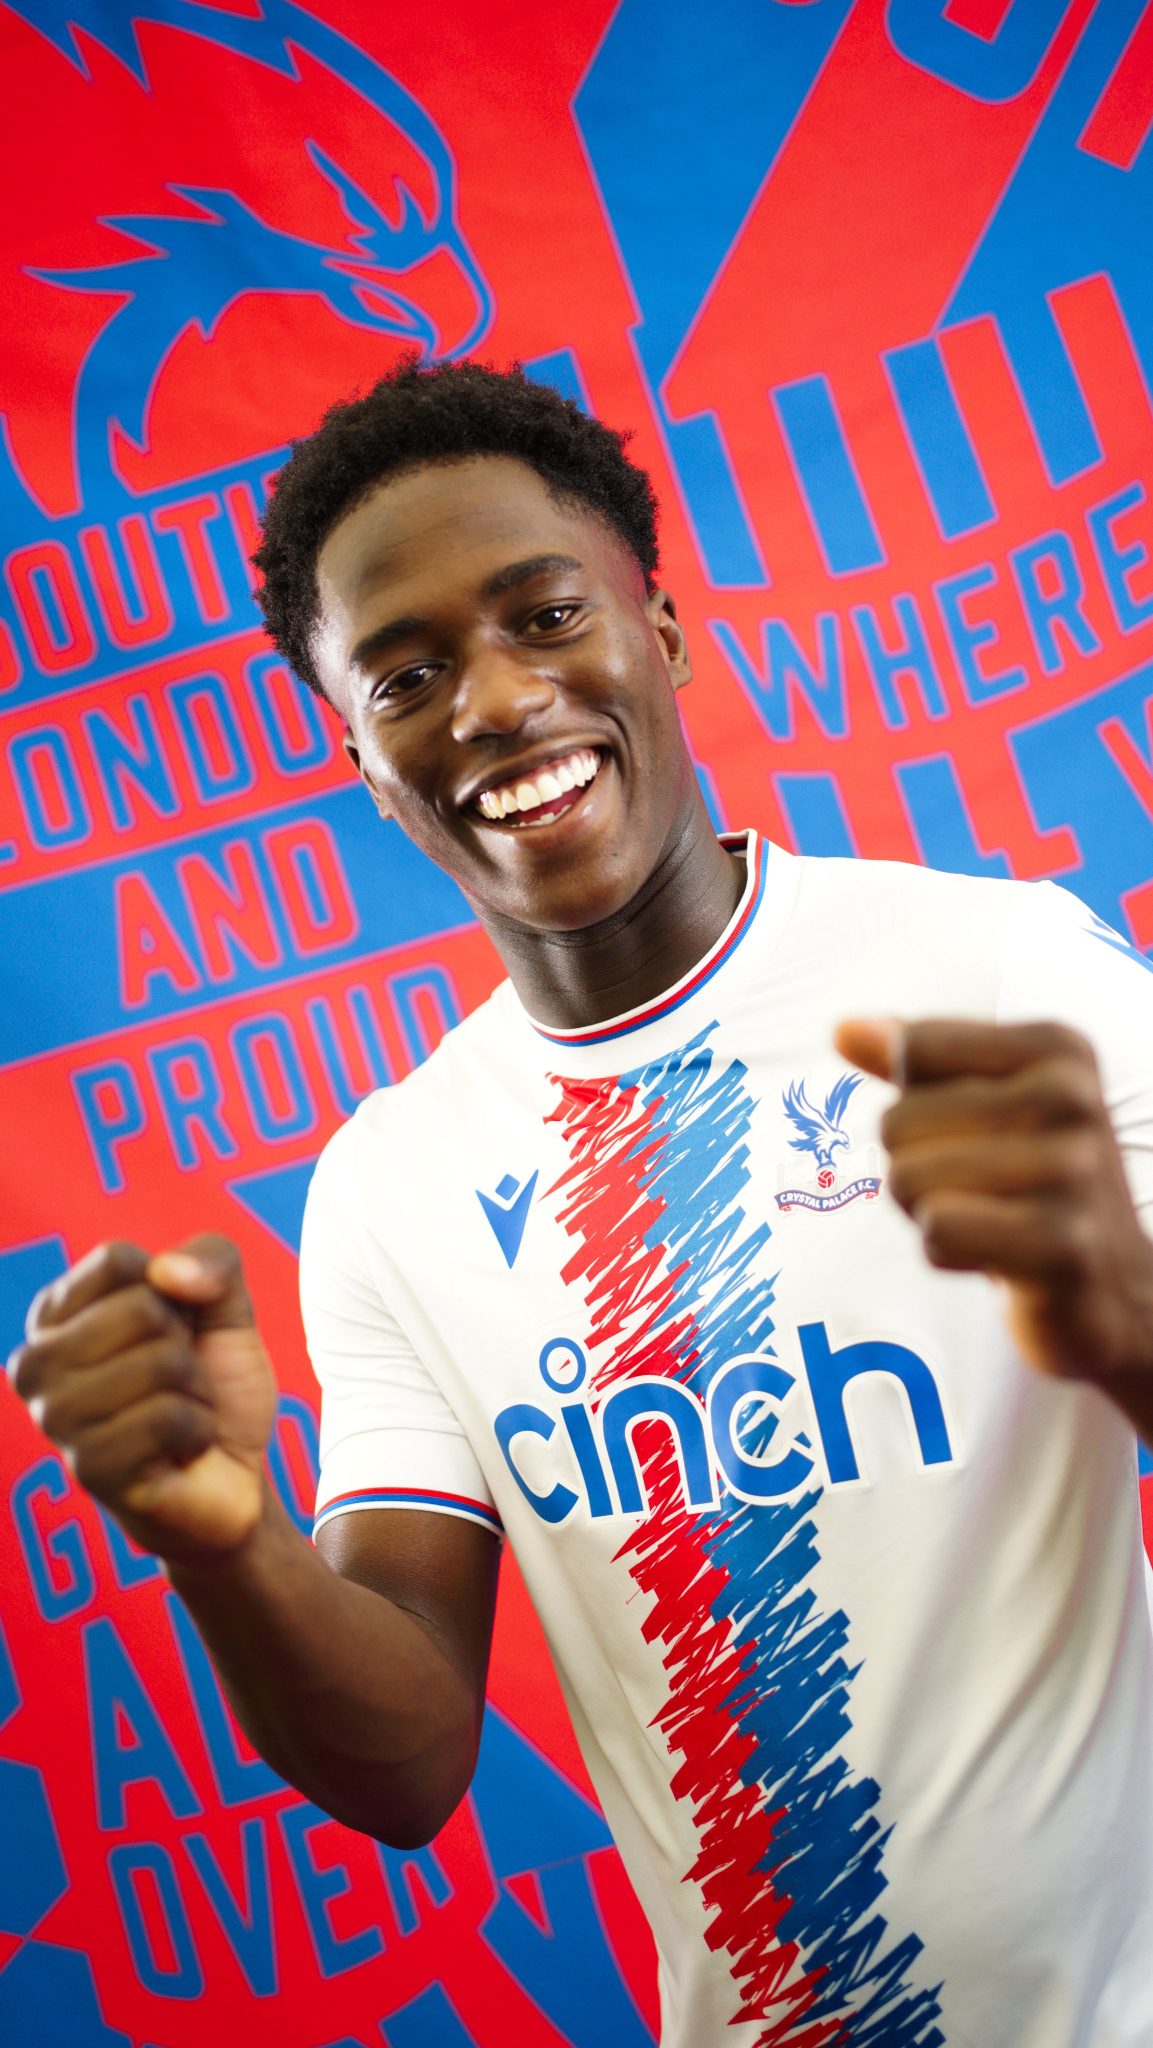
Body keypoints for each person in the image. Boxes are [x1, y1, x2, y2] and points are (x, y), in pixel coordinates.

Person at [10, 359, 1153, 2046]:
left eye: (545, 617)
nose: (491, 700)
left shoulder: (995, 972)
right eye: (407, 676)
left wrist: (1122, 1317)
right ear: (363, 758)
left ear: (661, 634)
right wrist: (224, 1541)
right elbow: (405, 1763)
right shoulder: (390, 1181)